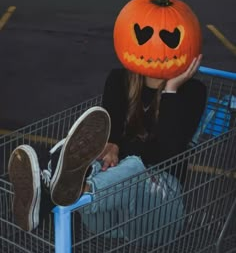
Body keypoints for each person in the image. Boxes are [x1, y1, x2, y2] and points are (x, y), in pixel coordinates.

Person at [8, 54, 206, 234]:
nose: (158, 48)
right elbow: (108, 140)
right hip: (107, 215)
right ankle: (57, 180)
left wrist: (171, 90)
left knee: (133, 166)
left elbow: (168, 152)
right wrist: (110, 147)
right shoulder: (119, 80)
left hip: (158, 211)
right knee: (91, 151)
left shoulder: (193, 92)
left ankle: (57, 192)